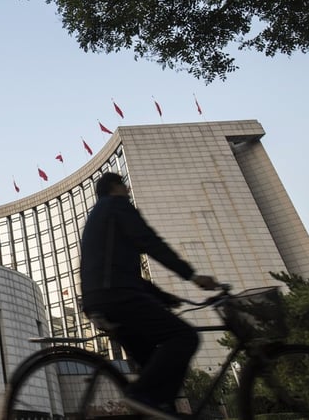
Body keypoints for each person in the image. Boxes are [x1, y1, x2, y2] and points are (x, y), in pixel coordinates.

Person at [79, 172, 219, 419]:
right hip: (118, 297)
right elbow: (150, 242)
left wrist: (163, 296)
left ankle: (155, 408)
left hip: (98, 300)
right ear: (115, 187)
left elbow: (117, 270)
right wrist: (192, 275)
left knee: (153, 368)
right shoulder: (118, 206)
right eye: (125, 185)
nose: (128, 190)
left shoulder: (97, 217)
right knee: (185, 337)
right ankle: (138, 397)